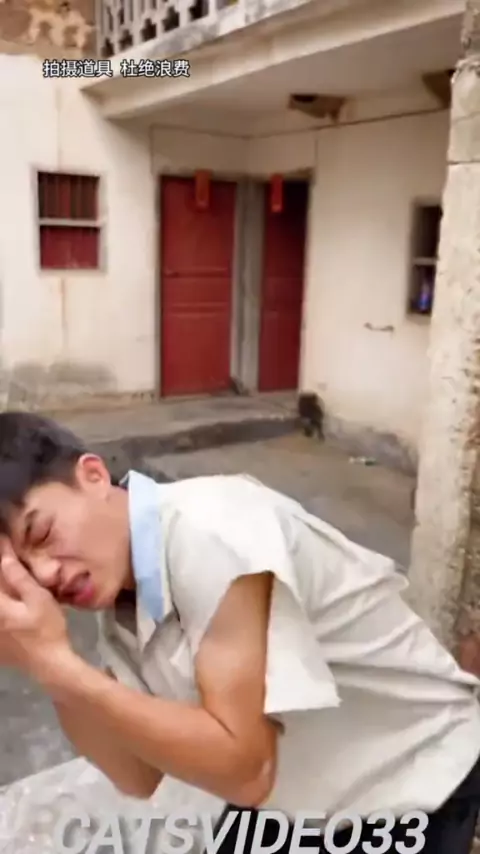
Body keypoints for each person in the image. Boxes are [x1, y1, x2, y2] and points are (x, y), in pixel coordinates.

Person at [0, 411, 479, 854]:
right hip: (301, 791)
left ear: (93, 476)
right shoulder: (123, 603)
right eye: (22, 569)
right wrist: (50, 670)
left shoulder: (212, 530)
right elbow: (136, 774)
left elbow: (248, 771)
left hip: (414, 778)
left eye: (41, 534)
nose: (44, 573)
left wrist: (57, 665)